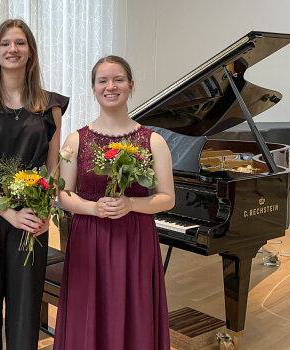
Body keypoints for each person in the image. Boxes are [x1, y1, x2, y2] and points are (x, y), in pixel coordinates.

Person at [0, 19, 69, 350]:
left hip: (31, 208)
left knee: (25, 301)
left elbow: (54, 168)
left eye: (20, 43)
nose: (13, 49)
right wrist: (8, 213)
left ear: (30, 52)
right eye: (5, 43)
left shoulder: (50, 105)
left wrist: (44, 208)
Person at [53, 55, 175, 350]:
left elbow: (167, 198)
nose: (111, 86)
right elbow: (63, 194)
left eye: (118, 79)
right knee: (90, 309)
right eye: (103, 81)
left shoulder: (153, 141)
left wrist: (131, 204)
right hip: (89, 237)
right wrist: (94, 208)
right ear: (93, 88)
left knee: (134, 307)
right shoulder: (75, 140)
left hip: (134, 238)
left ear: (131, 85)